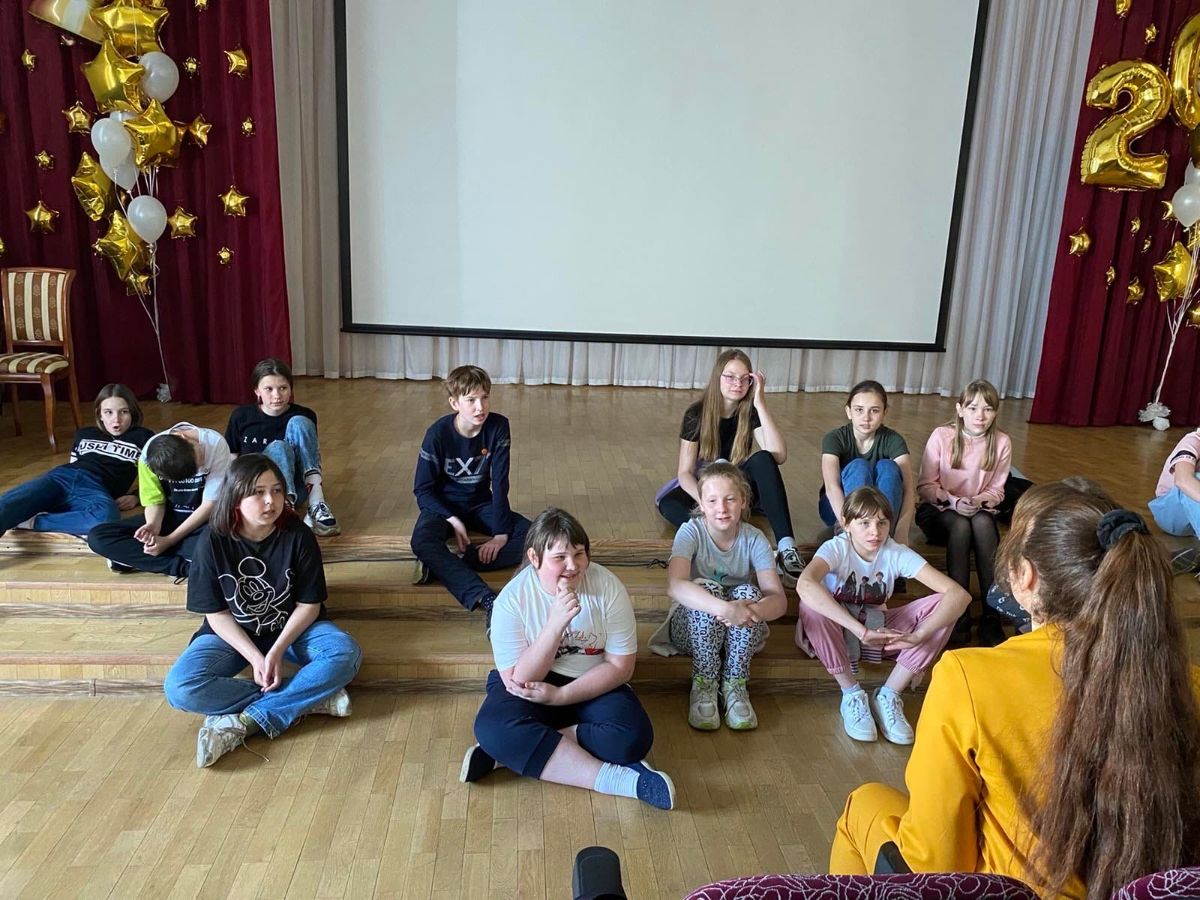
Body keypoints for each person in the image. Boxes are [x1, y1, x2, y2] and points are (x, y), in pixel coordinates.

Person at [830, 482, 1200, 900]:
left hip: (1010, 892)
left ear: (1026, 576)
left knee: (862, 805)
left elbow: (934, 863)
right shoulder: (1188, 682)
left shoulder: (967, 677)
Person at [460, 507, 674, 810]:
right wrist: (555, 625)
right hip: (532, 682)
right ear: (535, 558)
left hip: (592, 680)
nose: (573, 566)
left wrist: (560, 696)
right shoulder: (512, 599)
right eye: (560, 557)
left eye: (579, 554)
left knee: (632, 737)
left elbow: (620, 667)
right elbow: (519, 679)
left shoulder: (608, 587)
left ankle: (509, 754)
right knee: (492, 729)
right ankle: (621, 781)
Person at [163, 455, 362, 768]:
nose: (271, 501)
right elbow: (217, 615)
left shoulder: (298, 534)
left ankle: (246, 721)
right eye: (258, 492)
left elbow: (308, 605)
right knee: (180, 688)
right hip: (233, 635)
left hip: (294, 630)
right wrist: (257, 658)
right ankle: (305, 698)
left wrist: (277, 651)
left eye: (277, 490)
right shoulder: (212, 541)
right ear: (235, 497)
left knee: (345, 654)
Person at [795, 487, 969, 744]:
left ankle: (889, 694)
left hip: (880, 630)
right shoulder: (836, 548)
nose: (875, 532)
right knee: (811, 605)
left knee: (946, 606)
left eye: (882, 523)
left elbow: (959, 595)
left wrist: (918, 636)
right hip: (840, 631)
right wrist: (860, 630)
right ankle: (851, 694)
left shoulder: (894, 551)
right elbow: (805, 584)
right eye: (864, 523)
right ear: (846, 524)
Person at [650, 463, 787, 730]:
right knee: (706, 589)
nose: (721, 508)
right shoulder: (690, 531)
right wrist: (724, 609)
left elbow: (778, 600)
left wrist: (751, 611)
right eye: (712, 501)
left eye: (730, 499)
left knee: (750, 594)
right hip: (693, 630)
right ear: (701, 504)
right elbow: (675, 586)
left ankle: (736, 683)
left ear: (743, 501)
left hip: (739, 634)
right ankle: (704, 682)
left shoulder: (754, 538)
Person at [655, 349, 804, 584]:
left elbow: (778, 454)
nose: (738, 383)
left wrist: (760, 403)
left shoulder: (749, 411)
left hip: (736, 487)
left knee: (763, 459)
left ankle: (786, 548)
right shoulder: (697, 414)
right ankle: (720, 536)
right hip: (707, 488)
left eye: (745, 379)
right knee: (669, 504)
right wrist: (706, 502)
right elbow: (684, 472)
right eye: (731, 377)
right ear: (718, 377)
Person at [412, 365, 531, 629]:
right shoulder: (437, 434)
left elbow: (500, 483)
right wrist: (453, 519)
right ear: (454, 403)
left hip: (480, 503)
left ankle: (447, 565)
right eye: (471, 400)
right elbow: (422, 490)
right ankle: (486, 599)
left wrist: (500, 535)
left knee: (535, 535)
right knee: (422, 541)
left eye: (485, 397)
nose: (480, 407)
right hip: (442, 507)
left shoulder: (498, 426)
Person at [915, 379, 1012, 646]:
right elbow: (925, 486)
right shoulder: (942, 436)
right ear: (960, 410)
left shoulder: (1001, 441)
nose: (980, 416)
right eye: (973, 408)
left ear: (995, 413)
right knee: (960, 524)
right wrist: (954, 501)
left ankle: (991, 616)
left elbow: (997, 491)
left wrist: (976, 501)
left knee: (981, 523)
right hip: (938, 511)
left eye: (988, 409)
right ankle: (959, 613)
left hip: (976, 511)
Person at [0, 384, 151, 537]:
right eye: (108, 412)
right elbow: (74, 462)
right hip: (61, 477)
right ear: (100, 415)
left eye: (123, 412)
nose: (116, 419)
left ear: (132, 413)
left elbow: (157, 475)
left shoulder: (144, 437)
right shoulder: (85, 433)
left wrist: (136, 497)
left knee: (104, 518)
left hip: (96, 487)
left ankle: (31, 522)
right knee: (4, 504)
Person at [87, 422, 231, 578]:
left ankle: (141, 559)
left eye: (199, 455)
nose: (202, 463)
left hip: (203, 519)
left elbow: (210, 504)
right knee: (98, 537)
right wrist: (153, 525)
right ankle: (185, 567)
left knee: (219, 542)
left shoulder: (215, 443)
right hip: (169, 517)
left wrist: (169, 540)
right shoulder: (147, 458)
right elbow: (154, 501)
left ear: (183, 437)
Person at [224, 357, 340, 536]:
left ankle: (315, 502)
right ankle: (282, 510)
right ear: (257, 391)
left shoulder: (305, 414)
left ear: (290, 389)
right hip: (255, 491)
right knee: (278, 447)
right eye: (269, 389)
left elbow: (309, 456)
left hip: (295, 488)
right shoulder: (241, 416)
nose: (277, 395)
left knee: (300, 422)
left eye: (283, 388)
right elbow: (232, 458)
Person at [819, 380, 915, 546]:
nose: (866, 418)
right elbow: (831, 487)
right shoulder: (834, 438)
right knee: (859, 466)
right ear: (848, 411)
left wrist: (902, 533)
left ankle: (885, 535)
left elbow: (908, 490)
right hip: (838, 509)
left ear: (884, 413)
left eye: (874, 411)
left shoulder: (894, 440)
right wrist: (847, 526)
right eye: (859, 410)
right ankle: (855, 536)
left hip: (882, 516)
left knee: (888, 467)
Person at [1148, 425, 1200, 575]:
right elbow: (1183, 481)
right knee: (1195, 480)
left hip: (1194, 518)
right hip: (1170, 512)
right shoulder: (1193, 441)